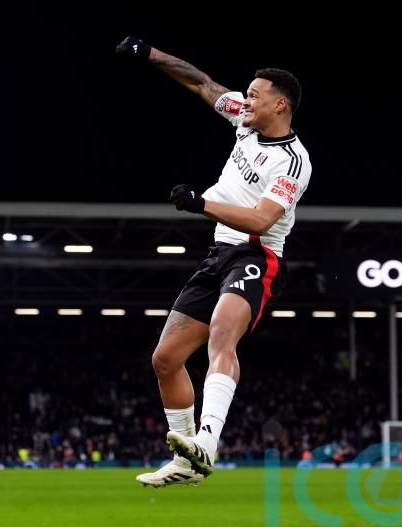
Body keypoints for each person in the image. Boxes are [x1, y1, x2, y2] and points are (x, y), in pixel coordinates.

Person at [116, 36, 312, 487]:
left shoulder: (293, 162)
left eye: (255, 95)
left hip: (257, 256)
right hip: (218, 254)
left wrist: (200, 203)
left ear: (280, 105)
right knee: (165, 359)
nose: (245, 100)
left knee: (223, 333)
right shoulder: (245, 123)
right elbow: (202, 83)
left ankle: (208, 441)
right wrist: (149, 54)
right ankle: (186, 462)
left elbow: (262, 220)